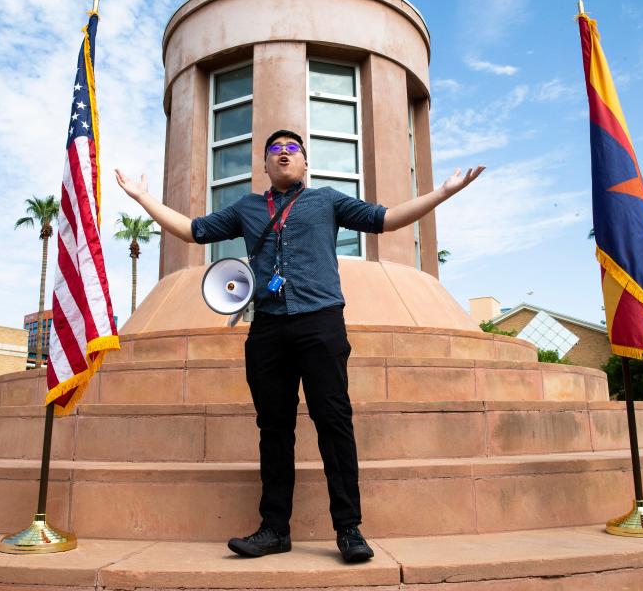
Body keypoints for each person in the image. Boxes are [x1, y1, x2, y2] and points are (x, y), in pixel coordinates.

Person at [115, 129, 483, 563]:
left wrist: (442, 192)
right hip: (268, 328)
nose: (284, 153)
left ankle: (348, 529)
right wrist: (142, 198)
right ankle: (274, 529)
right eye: (275, 150)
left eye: (293, 149)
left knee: (334, 423)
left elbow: (387, 219)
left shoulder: (328, 200)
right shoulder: (248, 208)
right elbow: (193, 231)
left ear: (305, 162)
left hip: (320, 322)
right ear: (265, 166)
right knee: (274, 430)